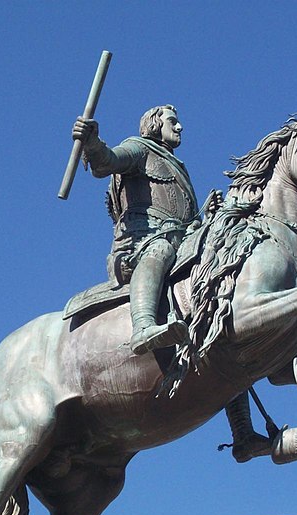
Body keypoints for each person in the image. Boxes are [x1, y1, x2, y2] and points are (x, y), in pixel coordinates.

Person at [72, 105, 198, 355]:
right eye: (172, 121)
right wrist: (93, 142)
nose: (179, 127)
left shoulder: (177, 166)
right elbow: (108, 161)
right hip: (141, 241)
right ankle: (143, 327)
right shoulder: (140, 148)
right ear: (154, 124)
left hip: (180, 237)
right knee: (160, 250)